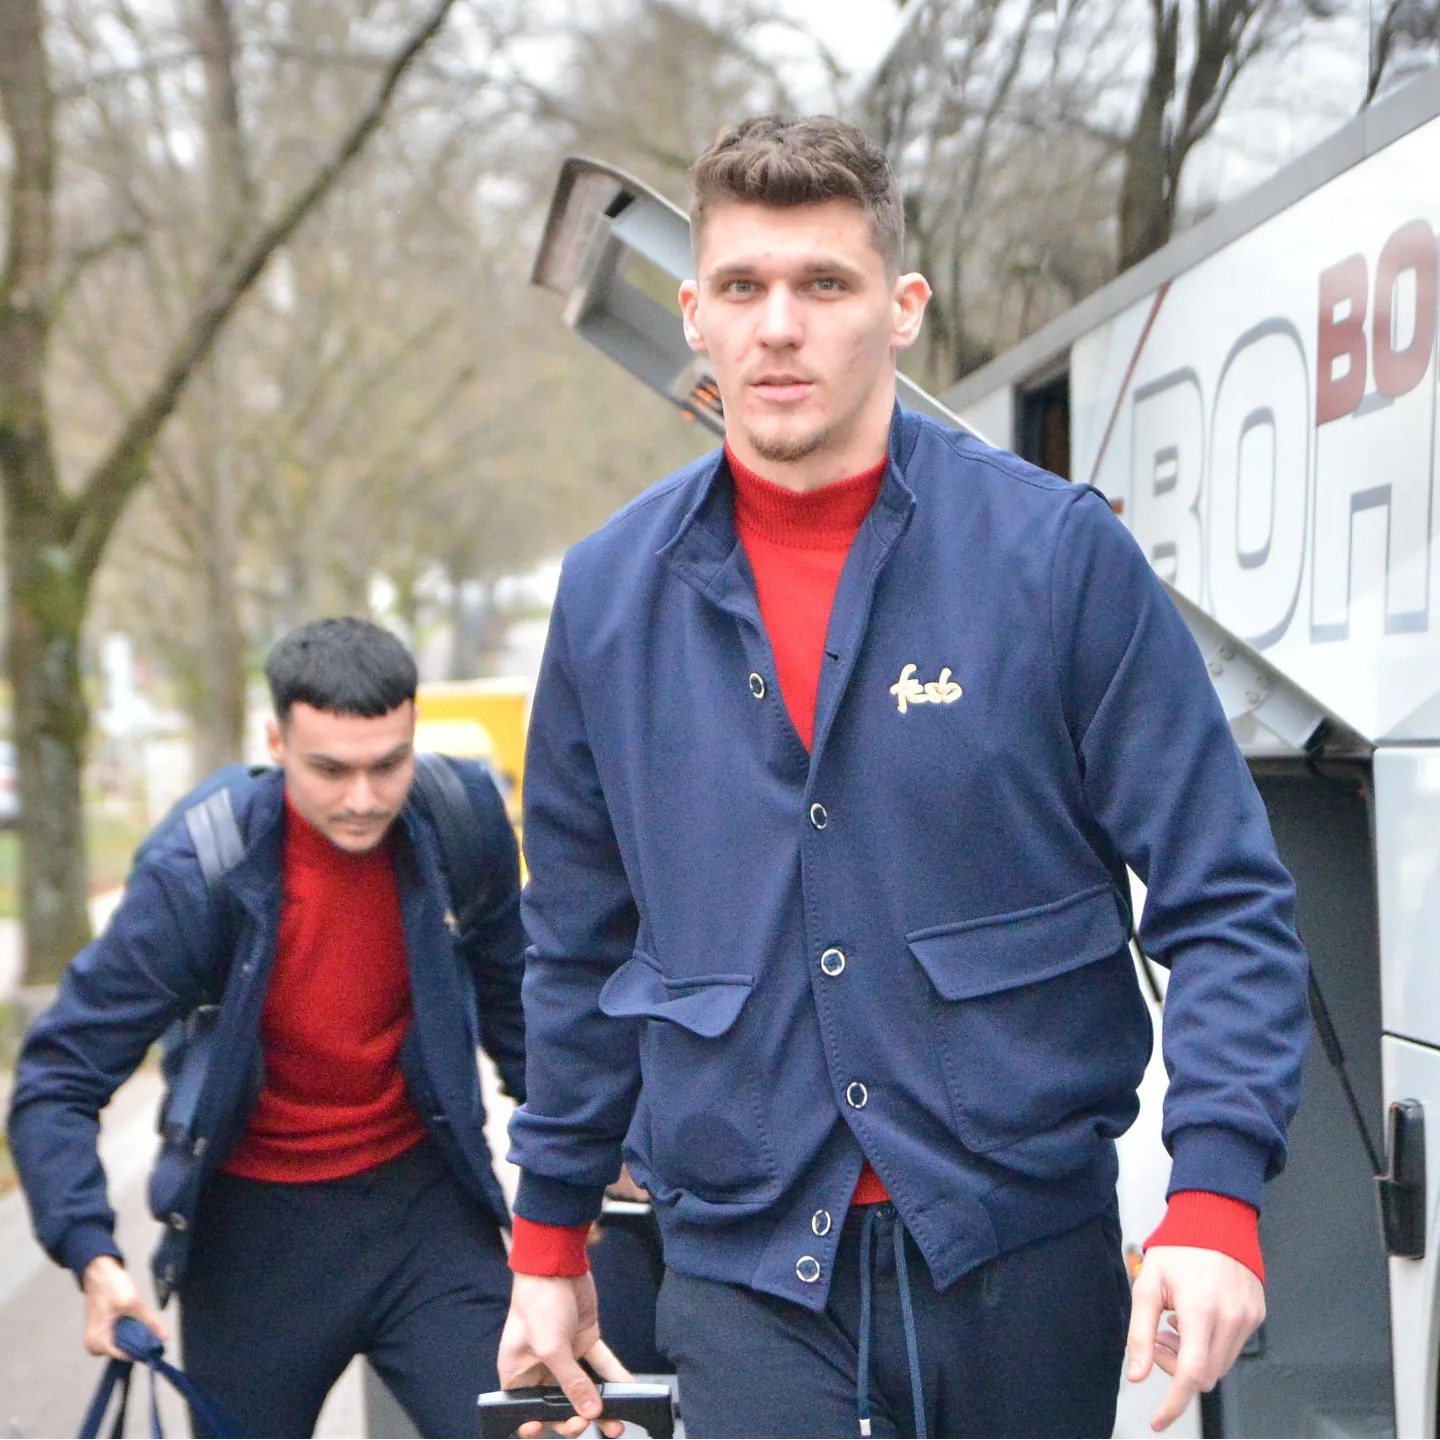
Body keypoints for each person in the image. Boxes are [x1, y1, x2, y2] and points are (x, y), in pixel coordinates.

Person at [496, 115, 1311, 1440]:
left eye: (825, 284)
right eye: (744, 287)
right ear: (694, 315)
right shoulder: (607, 599)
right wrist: (548, 1238)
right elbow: (577, 945)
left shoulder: (1057, 558)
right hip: (745, 1267)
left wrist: (1214, 1197)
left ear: (902, 308)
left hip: (1021, 1250)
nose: (780, 327)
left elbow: (1227, 899)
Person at [8, 617, 526, 1438]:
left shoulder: (459, 820)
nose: (363, 798)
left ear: (414, 732)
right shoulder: (197, 873)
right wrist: (91, 1253)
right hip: (253, 1239)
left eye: (387, 764)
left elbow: (521, 1006)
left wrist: (583, 1162)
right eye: (330, 770)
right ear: (276, 742)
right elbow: (58, 1077)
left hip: (424, 1208)